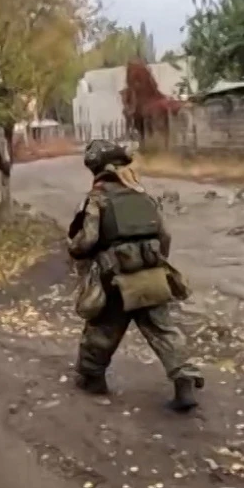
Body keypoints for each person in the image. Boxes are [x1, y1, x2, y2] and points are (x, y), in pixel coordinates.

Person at [67, 139, 203, 412]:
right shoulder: (143, 196)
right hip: (152, 276)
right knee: (164, 329)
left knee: (102, 330)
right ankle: (184, 381)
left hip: (116, 280)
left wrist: (74, 248)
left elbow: (87, 240)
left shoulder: (98, 199)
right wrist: (153, 262)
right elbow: (165, 236)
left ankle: (92, 378)